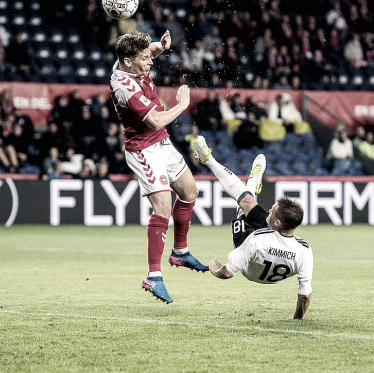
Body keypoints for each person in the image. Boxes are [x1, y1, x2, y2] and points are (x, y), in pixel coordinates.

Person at [109, 30, 207, 304]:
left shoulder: (129, 60)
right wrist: (182, 106)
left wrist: (159, 47)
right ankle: (153, 276)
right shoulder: (124, 86)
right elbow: (154, 121)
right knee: (162, 208)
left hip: (161, 144)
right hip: (143, 149)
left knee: (190, 192)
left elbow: (148, 51)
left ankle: (180, 251)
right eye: (144, 58)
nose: (150, 61)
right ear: (128, 62)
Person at [192, 135, 313, 319]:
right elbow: (305, 295)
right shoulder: (305, 250)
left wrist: (214, 270)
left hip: (249, 265)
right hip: (271, 267)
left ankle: (209, 160)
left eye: (272, 211)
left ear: (277, 223)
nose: (269, 210)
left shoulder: (255, 240)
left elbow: (227, 273)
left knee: (243, 207)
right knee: (248, 200)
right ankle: (251, 181)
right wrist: (297, 318)